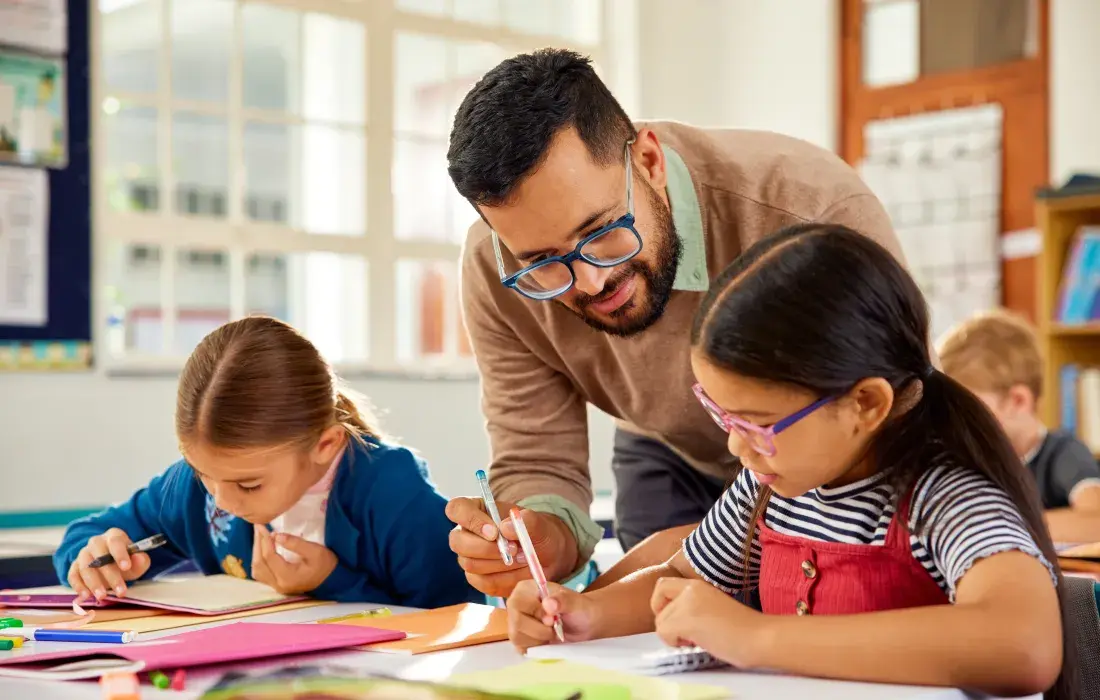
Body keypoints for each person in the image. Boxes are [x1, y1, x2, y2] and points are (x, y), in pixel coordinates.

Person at [505, 223, 1074, 698]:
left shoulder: (941, 498)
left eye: (756, 424)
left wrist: (755, 638)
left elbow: (1024, 644)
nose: (735, 446)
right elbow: (682, 577)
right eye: (722, 416)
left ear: (866, 403)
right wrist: (589, 614)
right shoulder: (769, 488)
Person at [445, 48, 909, 597]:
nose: (591, 282)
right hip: (666, 446)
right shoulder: (495, 272)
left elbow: (889, 422)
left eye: (600, 232)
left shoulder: (813, 211)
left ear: (649, 162)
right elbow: (536, 456)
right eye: (545, 262)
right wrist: (539, 540)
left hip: (830, 464)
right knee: (658, 646)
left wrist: (693, 572)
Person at [54, 316, 479, 608]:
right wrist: (89, 560)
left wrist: (332, 582)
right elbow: (84, 536)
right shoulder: (193, 488)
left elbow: (458, 618)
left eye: (249, 485)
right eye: (205, 475)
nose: (222, 499)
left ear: (325, 445)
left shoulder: (393, 494)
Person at [938, 309, 1100, 543]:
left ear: (1018, 401)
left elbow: (1095, 522)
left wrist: (1000, 525)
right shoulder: (971, 462)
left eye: (965, 409)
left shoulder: (1063, 453)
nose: (952, 422)